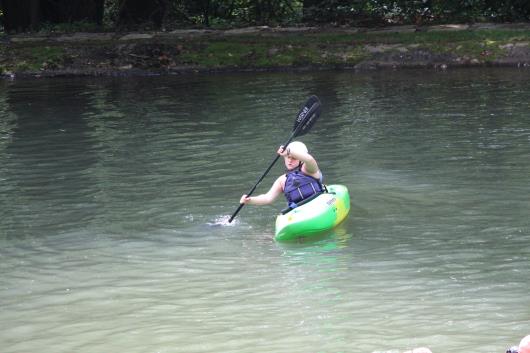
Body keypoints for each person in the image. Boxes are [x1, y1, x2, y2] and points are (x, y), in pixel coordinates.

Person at [239, 141, 324, 209]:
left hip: (316, 204)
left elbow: (309, 159)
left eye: (294, 158)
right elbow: (268, 198)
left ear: (301, 159)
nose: (290, 160)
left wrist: (289, 151)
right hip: (298, 211)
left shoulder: (309, 169)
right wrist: (250, 200)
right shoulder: (282, 180)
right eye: (288, 157)